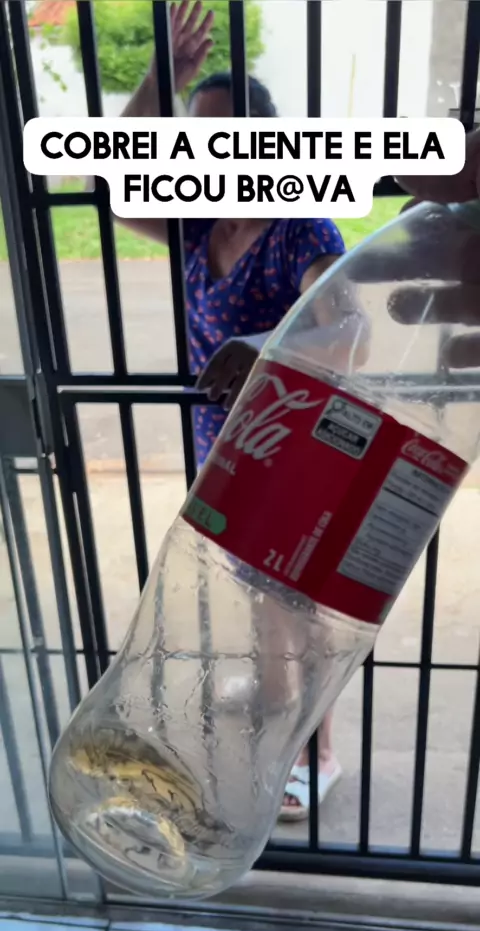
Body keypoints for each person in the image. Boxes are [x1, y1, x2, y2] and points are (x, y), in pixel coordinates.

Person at [121, 0, 348, 820]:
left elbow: (346, 329)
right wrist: (163, 79)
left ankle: (320, 753)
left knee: (294, 604)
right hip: (222, 448)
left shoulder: (298, 227)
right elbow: (119, 189)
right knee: (252, 596)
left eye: (227, 133)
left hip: (294, 453)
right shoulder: (198, 223)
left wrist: (263, 346)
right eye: (195, 133)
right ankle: (275, 694)